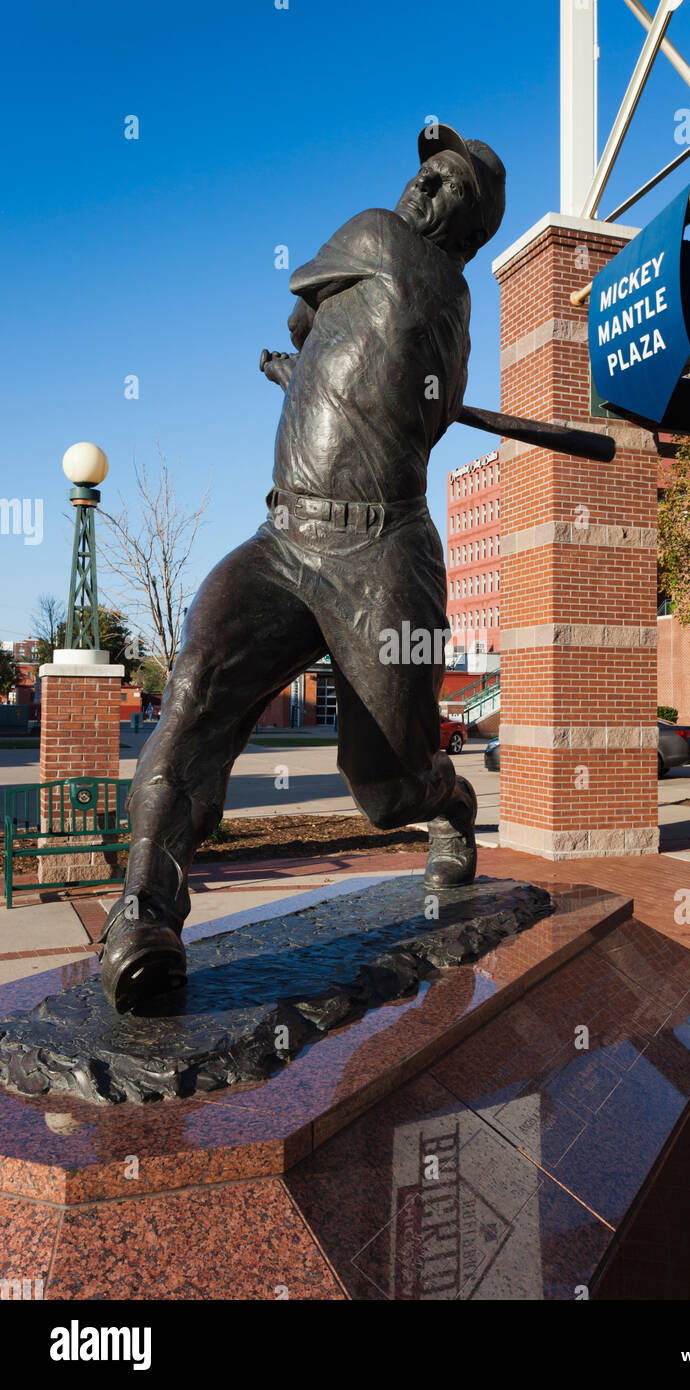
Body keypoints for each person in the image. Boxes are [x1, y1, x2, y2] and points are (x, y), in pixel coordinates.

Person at [98, 124, 507, 1012]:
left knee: (385, 789)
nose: (421, 192)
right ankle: (145, 913)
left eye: (446, 189)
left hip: (382, 552)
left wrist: (313, 360)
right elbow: (393, 398)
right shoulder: (444, 306)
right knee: (199, 687)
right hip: (285, 540)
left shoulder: (379, 243)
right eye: (423, 176)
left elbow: (307, 321)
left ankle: (450, 804)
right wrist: (314, 378)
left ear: (470, 229)